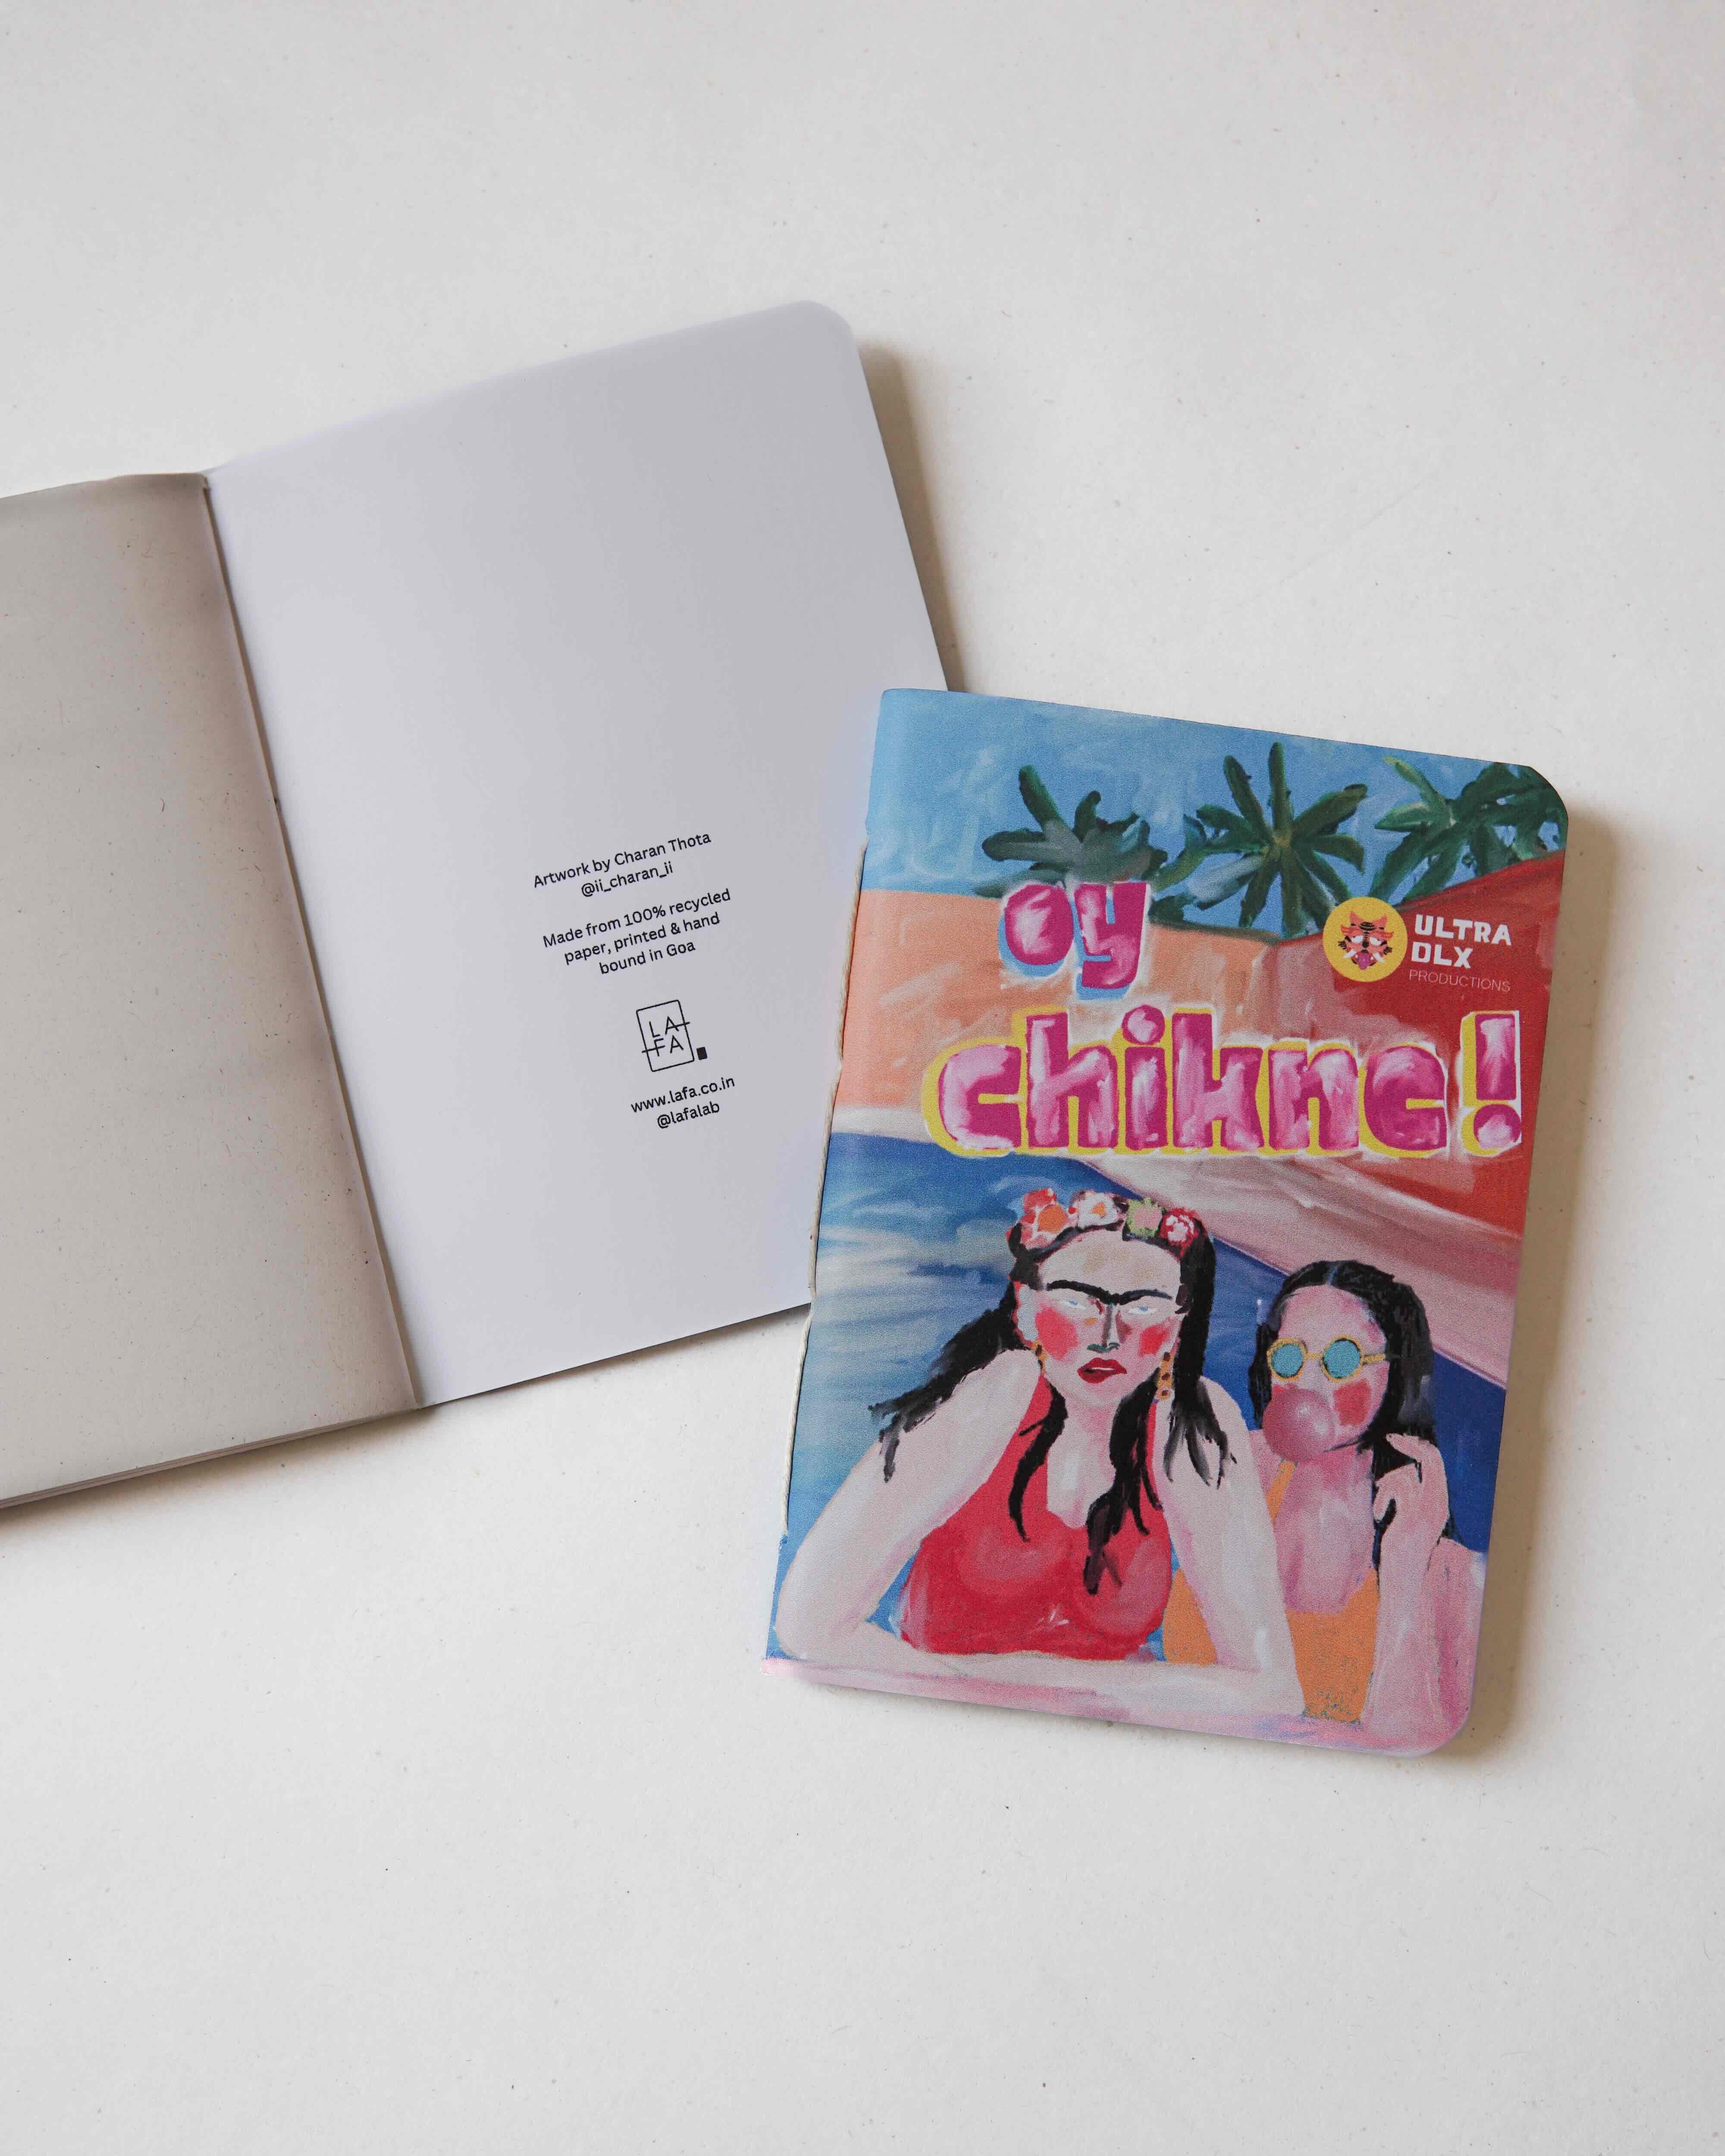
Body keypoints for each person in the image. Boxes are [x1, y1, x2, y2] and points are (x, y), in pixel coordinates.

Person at [774, 1187, 1300, 1731]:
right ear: (1026, 1308)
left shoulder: (1191, 1422)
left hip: (1105, 1736)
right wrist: (1089, 1690)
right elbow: (808, 1625)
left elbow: (1272, 1687)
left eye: (1143, 1308)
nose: (1108, 1336)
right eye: (1077, 1301)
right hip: (944, 1724)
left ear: (1177, 1327)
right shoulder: (993, 1395)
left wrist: (1012, 1685)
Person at [1159, 1259, 1485, 1749]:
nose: (1307, 1383)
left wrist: (1404, 1569)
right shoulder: (1228, 1466)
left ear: (1395, 1373)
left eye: (1342, 1359)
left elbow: (1408, 1746)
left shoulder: (1443, 1566)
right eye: (1290, 1357)